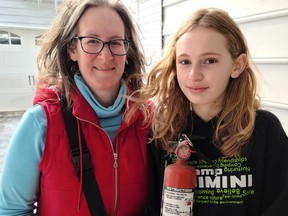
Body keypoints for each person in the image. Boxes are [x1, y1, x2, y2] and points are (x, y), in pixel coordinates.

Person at [0, 0, 151, 215]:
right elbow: (12, 210)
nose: (106, 56)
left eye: (116, 42)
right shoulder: (41, 124)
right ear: (72, 49)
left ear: (127, 51)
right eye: (91, 41)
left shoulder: (151, 121)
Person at [133, 8, 288, 216]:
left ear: (237, 65)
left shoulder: (264, 130)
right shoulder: (163, 131)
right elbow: (149, 205)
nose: (194, 75)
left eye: (210, 61)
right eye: (185, 62)